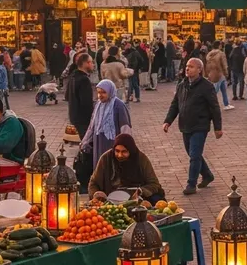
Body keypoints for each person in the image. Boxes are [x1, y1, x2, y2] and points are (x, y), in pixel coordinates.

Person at [163, 57, 223, 196]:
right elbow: (175, 105)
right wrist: (168, 121)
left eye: (191, 66)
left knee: (195, 155)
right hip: (185, 125)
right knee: (192, 153)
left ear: (199, 70)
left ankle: (191, 184)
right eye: (187, 66)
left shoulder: (206, 86)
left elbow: (214, 107)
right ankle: (207, 175)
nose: (187, 68)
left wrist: (218, 128)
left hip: (200, 125)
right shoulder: (182, 84)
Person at [89, 133, 166, 205]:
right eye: (117, 151)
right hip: (111, 200)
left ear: (131, 151)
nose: (119, 155)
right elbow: (93, 183)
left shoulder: (141, 159)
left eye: (124, 152)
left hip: (137, 199)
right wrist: (96, 194)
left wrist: (141, 191)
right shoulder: (106, 158)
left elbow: (154, 183)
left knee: (157, 200)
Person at [81, 79, 131, 167]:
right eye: (98, 92)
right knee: (100, 166)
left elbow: (125, 127)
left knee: (112, 167)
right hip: (98, 142)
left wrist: (125, 146)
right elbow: (92, 126)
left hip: (113, 143)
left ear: (110, 91)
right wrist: (85, 141)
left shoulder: (118, 105)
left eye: (103, 92)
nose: (100, 95)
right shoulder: (98, 105)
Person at [66, 52, 95, 139]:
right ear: (86, 63)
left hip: (74, 116)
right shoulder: (84, 80)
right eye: (91, 62)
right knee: (86, 144)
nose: (93, 64)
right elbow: (86, 103)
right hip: (83, 119)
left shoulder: (73, 76)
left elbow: (67, 96)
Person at [205, 40, 233, 110]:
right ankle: (208, 105)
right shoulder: (221, 54)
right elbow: (224, 64)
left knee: (223, 89)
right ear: (219, 45)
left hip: (212, 73)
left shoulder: (209, 54)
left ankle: (226, 103)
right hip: (220, 73)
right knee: (215, 90)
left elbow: (207, 64)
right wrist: (226, 73)